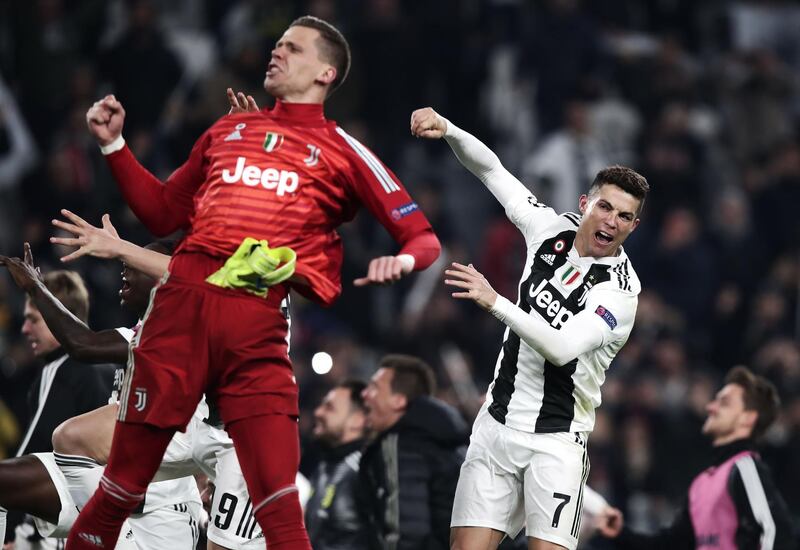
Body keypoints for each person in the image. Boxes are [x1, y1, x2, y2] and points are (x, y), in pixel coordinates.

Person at [74, 13, 440, 549]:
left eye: (292, 48)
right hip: (179, 315)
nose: (276, 53)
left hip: (256, 329)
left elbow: (421, 236)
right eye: (276, 45)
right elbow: (161, 213)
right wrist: (114, 147)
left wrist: (402, 264)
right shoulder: (228, 130)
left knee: (280, 513)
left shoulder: (342, 149)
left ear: (326, 74)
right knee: (120, 493)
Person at [410, 107, 648, 550]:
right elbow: (492, 171)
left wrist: (494, 302)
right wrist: (449, 128)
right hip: (497, 425)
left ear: (634, 226)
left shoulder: (619, 294)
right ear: (585, 205)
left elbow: (561, 349)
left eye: (624, 216)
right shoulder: (548, 230)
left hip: (556, 443)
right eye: (605, 207)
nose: (612, 221)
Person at [0, 242, 201, 549]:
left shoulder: (183, 335)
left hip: (160, 509)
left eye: (134, 264)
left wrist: (36, 288)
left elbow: (83, 345)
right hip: (101, 480)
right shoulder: (136, 333)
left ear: (161, 279)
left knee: (69, 436)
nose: (125, 269)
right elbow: (85, 340)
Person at [596, 366, 797, 549]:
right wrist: (621, 534)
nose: (711, 407)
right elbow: (669, 545)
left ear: (748, 418)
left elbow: (775, 532)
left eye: (724, 403)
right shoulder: (702, 483)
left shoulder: (745, 468)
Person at [0, 264, 114, 547]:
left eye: (34, 319)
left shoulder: (60, 369)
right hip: (119, 515)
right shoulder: (112, 367)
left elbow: (33, 446)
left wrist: (10, 530)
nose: (25, 329)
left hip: (71, 519)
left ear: (56, 316)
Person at [360, 354, 469, 550]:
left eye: (375, 387)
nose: (365, 394)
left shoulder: (400, 444)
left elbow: (406, 531)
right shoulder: (445, 438)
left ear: (398, 401)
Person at [305, 380, 369, 550]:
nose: (318, 412)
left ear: (357, 420)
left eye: (329, 408)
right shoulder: (324, 466)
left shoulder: (365, 473)